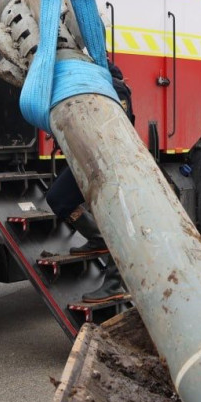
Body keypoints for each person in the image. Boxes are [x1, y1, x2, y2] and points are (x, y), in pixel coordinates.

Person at [45, 62, 134, 303]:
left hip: (112, 162)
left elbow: (117, 128)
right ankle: (96, 238)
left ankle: (116, 283)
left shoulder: (115, 88)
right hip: (87, 158)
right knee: (57, 199)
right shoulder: (78, 82)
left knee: (117, 220)